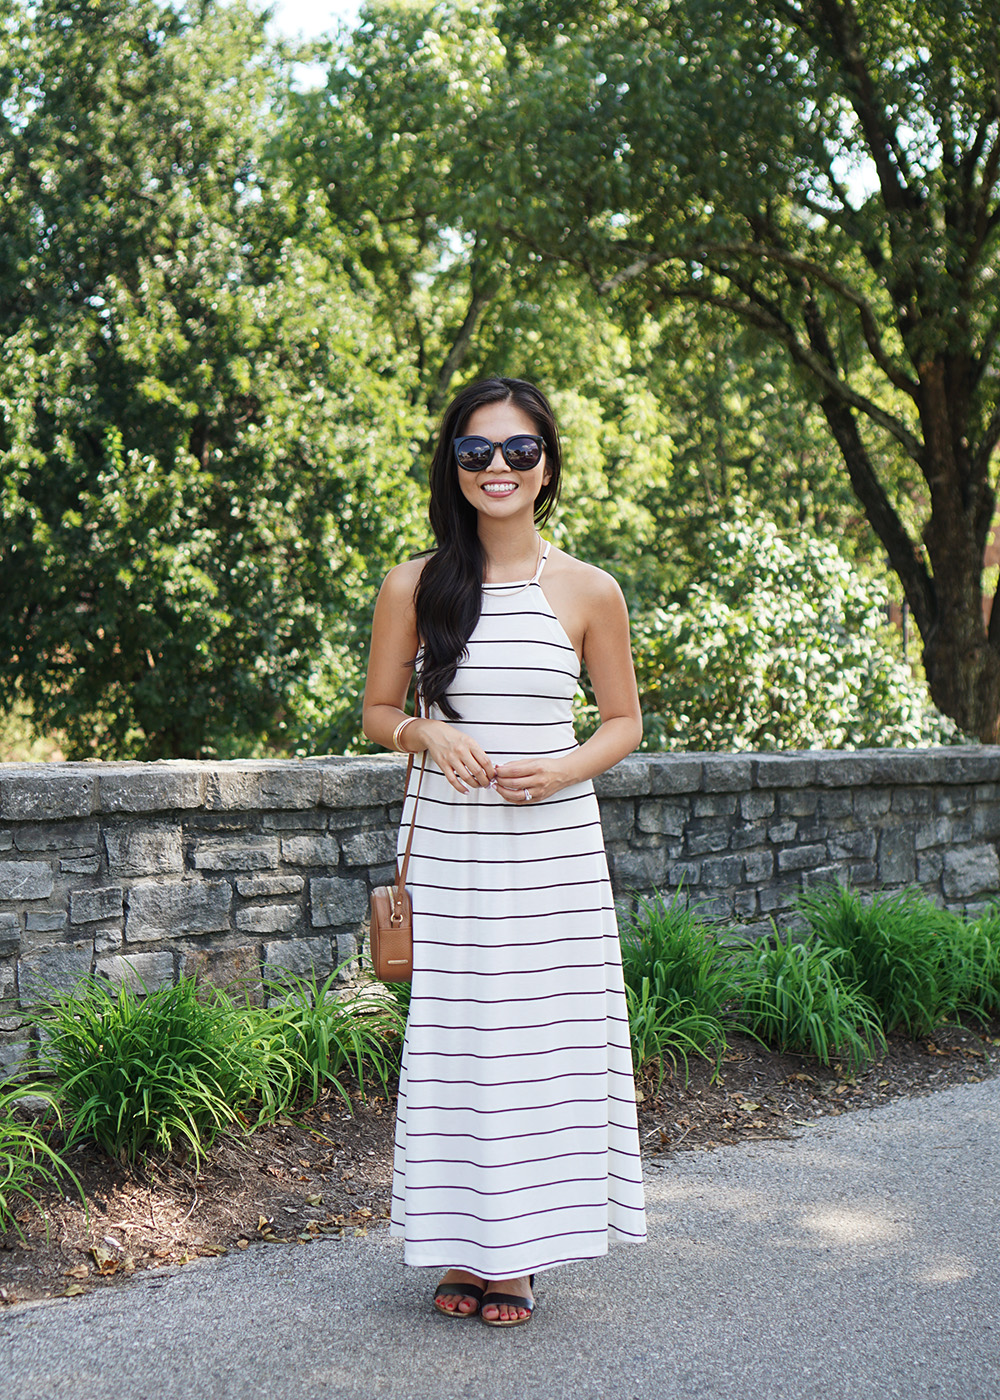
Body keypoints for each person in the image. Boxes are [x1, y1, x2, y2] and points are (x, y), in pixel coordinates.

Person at [362, 376, 646, 1327]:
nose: (497, 468)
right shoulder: (415, 582)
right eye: (477, 451)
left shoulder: (589, 589)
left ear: (546, 466)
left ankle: (518, 1255)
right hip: (451, 850)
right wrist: (427, 736)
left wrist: (563, 769)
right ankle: (459, 1245)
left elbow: (623, 723)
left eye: (518, 451)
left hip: (553, 853)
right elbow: (375, 714)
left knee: (538, 1047)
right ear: (454, 465)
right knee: (459, 1041)